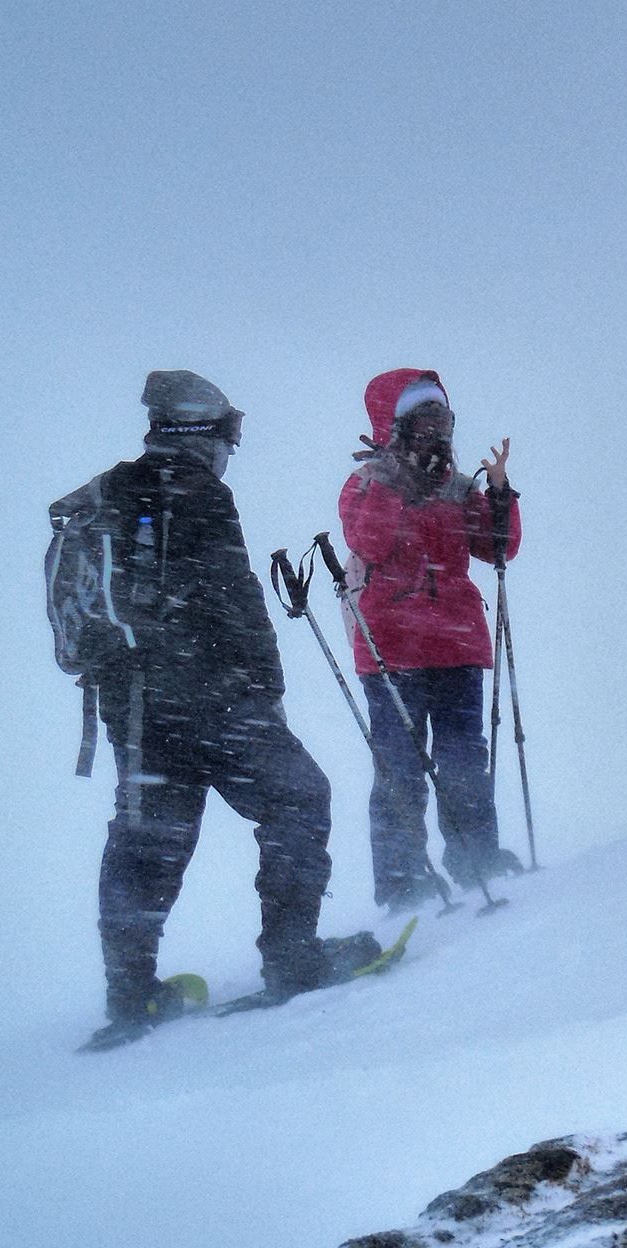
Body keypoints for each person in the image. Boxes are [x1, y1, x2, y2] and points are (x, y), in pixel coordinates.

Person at [80, 371, 374, 1044]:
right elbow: (234, 603)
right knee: (299, 797)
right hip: (206, 693)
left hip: (129, 699)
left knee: (148, 839)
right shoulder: (199, 493)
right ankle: (293, 960)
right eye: (226, 436)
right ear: (201, 432)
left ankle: (130, 996)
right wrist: (264, 692)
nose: (228, 450)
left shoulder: (112, 495)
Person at [339, 369, 524, 912]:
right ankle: (403, 883)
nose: (434, 433)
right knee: (401, 766)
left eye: (440, 421)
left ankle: (475, 861)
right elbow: (368, 542)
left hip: (455, 644)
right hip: (393, 648)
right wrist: (396, 481)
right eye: (422, 423)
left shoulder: (458, 485)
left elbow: (497, 549)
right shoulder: (367, 483)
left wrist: (498, 493)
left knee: (464, 757)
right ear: (393, 427)